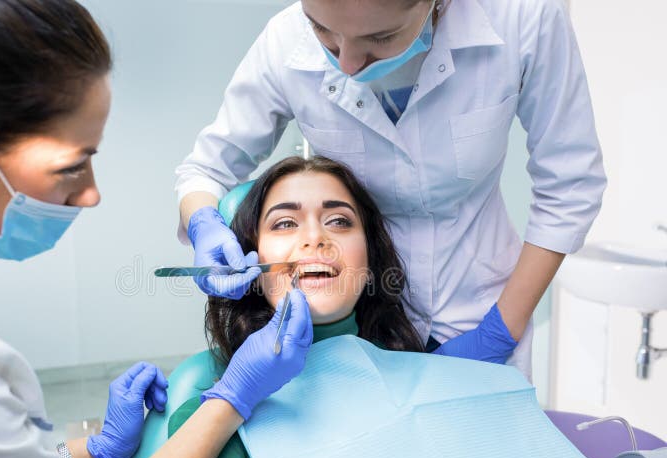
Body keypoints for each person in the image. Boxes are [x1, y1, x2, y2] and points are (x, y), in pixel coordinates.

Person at [0, 1, 311, 458]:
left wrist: (97, 449)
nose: (92, 194)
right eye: (72, 165)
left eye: (340, 221)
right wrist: (231, 400)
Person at [175, 0, 607, 378]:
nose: (345, 63)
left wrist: (501, 329)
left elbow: (570, 186)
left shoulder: (523, 18)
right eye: (322, 30)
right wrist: (203, 223)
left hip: (481, 306)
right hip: (362, 320)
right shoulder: (284, 42)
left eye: (380, 37)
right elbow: (206, 169)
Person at [169, 156, 584, 458]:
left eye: (339, 221)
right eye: (285, 223)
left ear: (369, 263)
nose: (315, 238)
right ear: (248, 262)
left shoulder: (451, 388)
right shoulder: (209, 423)